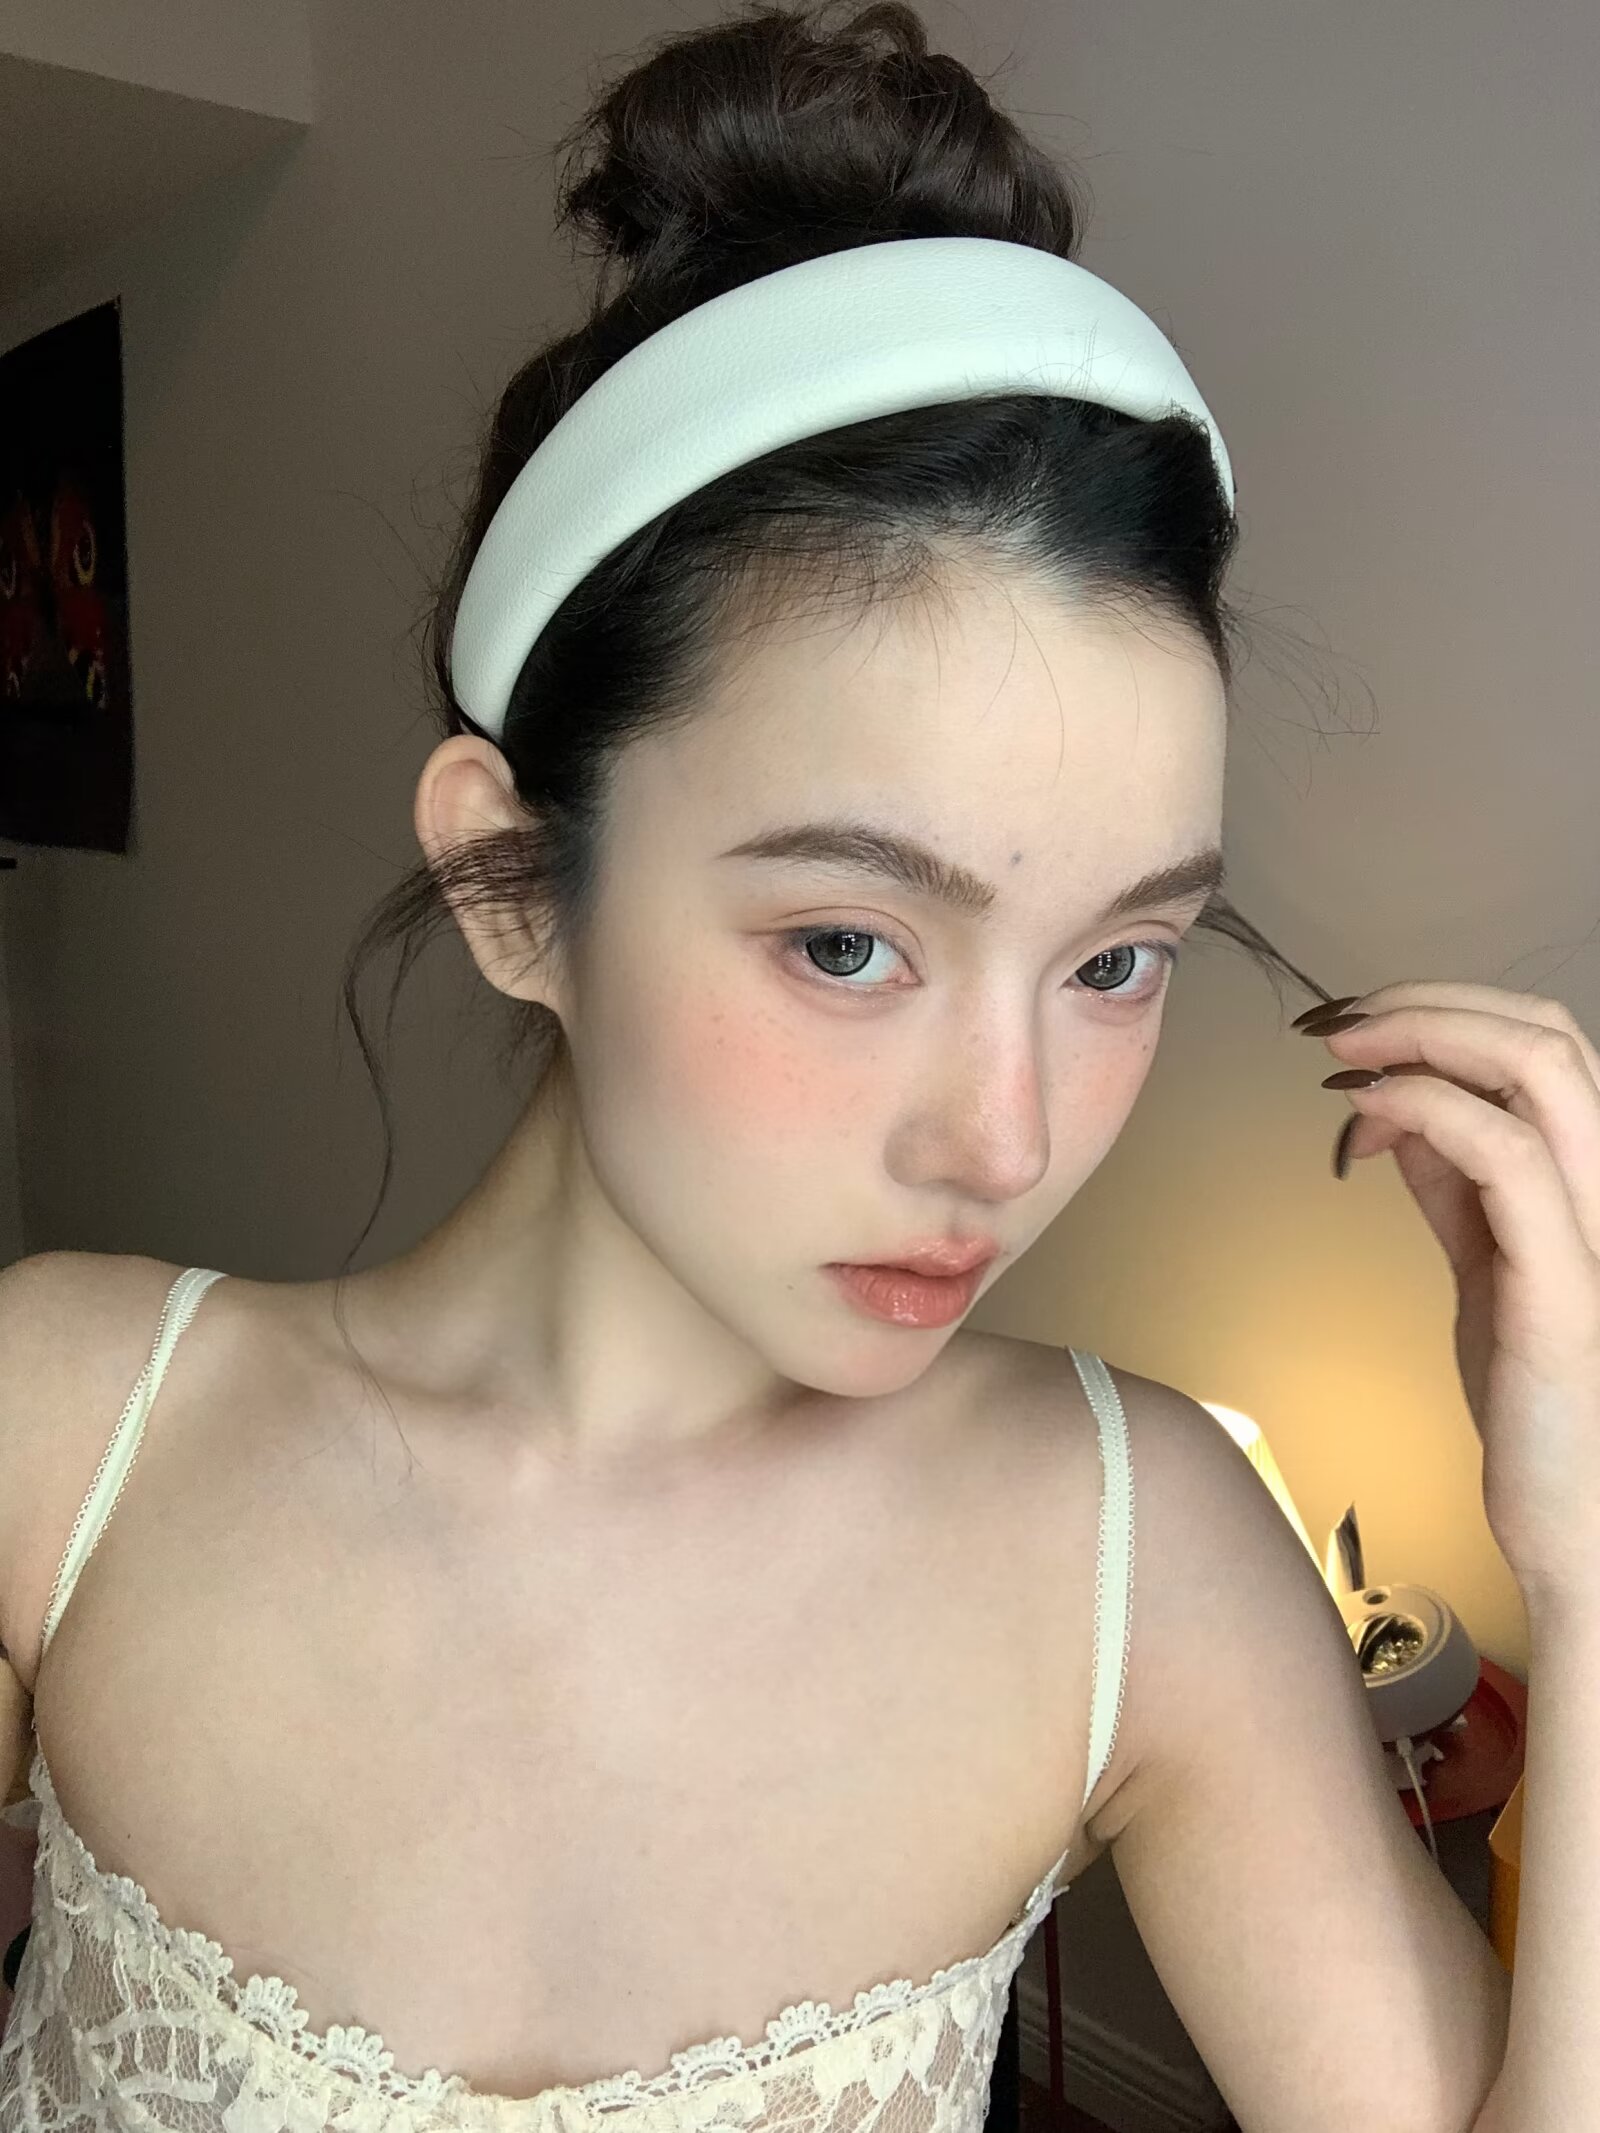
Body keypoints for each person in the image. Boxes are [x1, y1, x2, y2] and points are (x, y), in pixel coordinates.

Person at [0, 5, 1512, 2130]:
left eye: (1117, 960)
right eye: (846, 941)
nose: (1004, 1141)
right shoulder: (70, 1438)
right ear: (510, 881)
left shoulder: (1140, 1553)